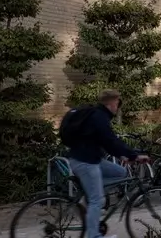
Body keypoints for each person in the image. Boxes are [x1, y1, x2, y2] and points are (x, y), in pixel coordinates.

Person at [63, 89, 148, 238]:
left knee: (120, 172)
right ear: (110, 103)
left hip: (89, 159)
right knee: (97, 200)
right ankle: (94, 235)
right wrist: (133, 156)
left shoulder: (97, 115)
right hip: (86, 162)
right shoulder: (99, 117)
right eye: (117, 103)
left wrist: (123, 155)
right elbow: (111, 141)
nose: (118, 106)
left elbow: (107, 142)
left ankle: (87, 196)